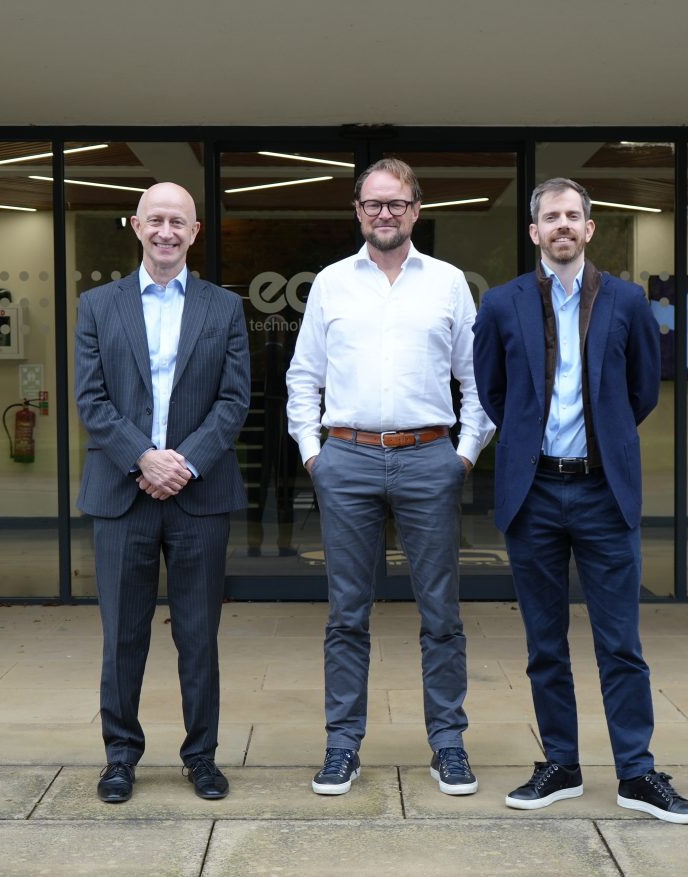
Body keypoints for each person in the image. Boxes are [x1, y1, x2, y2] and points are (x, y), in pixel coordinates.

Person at [472, 178, 688, 823]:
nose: (564, 226)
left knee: (620, 644)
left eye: (574, 215)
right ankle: (561, 766)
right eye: (552, 217)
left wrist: (601, 443)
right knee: (545, 644)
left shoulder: (627, 302)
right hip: (536, 491)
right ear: (534, 231)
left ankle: (637, 772)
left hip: (604, 493)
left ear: (590, 229)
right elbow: (494, 391)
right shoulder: (500, 304)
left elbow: (642, 393)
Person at [287, 157, 494, 797]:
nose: (385, 213)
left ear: (415, 209)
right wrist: (311, 453)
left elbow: (476, 379)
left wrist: (463, 453)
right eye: (373, 203)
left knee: (442, 614)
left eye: (396, 204)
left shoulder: (450, 283)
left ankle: (449, 745)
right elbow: (303, 377)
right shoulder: (330, 283)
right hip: (345, 459)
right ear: (357, 211)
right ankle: (342, 747)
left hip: (429, 457)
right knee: (347, 614)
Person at [74, 182, 250, 804]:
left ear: (195, 232)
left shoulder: (224, 308)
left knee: (198, 634)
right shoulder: (97, 305)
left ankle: (201, 757)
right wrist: (142, 458)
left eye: (179, 221)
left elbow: (234, 402)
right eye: (156, 220)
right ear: (135, 225)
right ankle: (120, 756)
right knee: (123, 634)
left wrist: (185, 463)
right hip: (123, 493)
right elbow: (90, 399)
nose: (167, 231)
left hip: (199, 496)